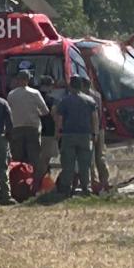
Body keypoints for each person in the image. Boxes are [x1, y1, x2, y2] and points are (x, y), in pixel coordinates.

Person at [52, 72, 101, 200]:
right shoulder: (90, 101)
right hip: (85, 135)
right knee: (85, 163)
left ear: (70, 86)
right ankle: (86, 188)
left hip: (68, 135)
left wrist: (58, 131)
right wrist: (95, 133)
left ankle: (66, 189)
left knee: (68, 163)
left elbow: (59, 118)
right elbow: (94, 118)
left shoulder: (64, 101)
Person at [4, 65, 48, 183]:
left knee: (17, 158)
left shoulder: (11, 94)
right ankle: (35, 183)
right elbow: (45, 111)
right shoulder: (35, 93)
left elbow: (8, 111)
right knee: (34, 158)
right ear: (28, 80)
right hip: (32, 128)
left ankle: (17, 182)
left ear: (18, 80)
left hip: (16, 128)